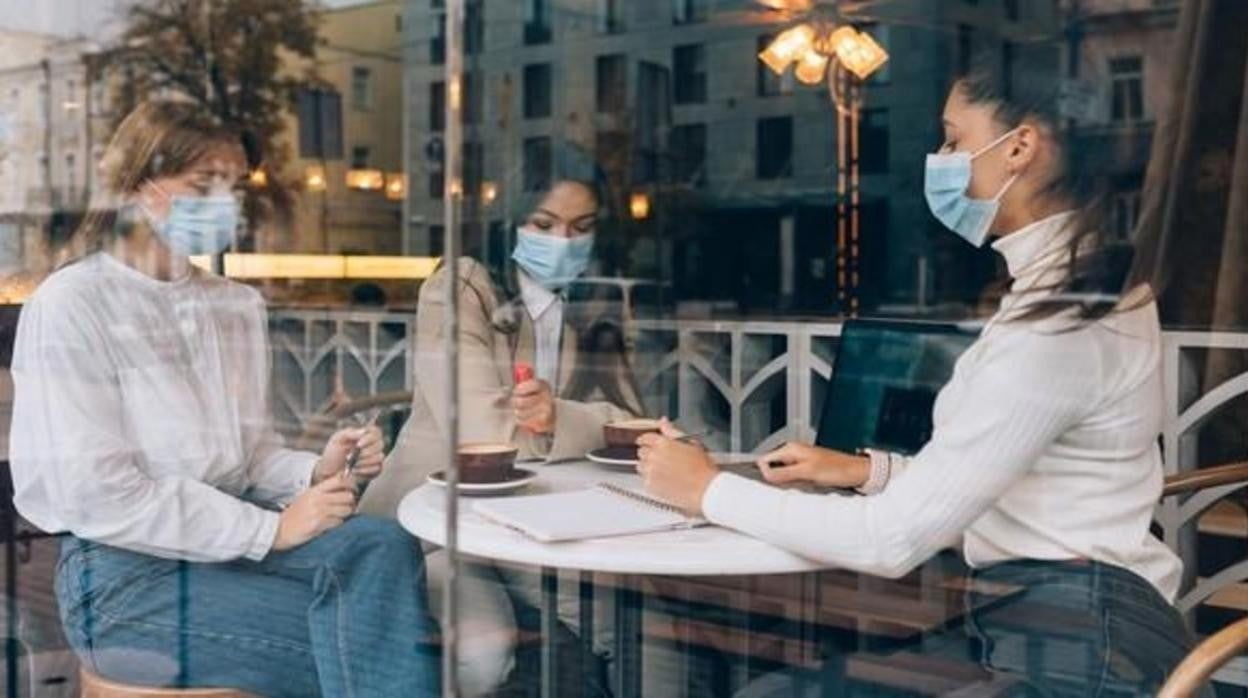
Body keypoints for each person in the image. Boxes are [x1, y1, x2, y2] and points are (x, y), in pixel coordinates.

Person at [635, 65, 1195, 695]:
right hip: (1046, 619)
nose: (942, 159)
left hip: (1082, 647)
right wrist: (862, 472)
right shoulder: (1070, 290)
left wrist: (707, 489)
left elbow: (892, 541)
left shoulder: (1056, 326)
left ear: (1019, 146)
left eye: (954, 140)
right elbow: (1011, 483)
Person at [8, 101, 440, 696]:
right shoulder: (72, 303)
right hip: (125, 578)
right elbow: (99, 494)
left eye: (235, 185)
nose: (226, 202)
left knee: (382, 543)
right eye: (203, 184)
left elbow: (252, 457)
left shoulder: (235, 306)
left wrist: (315, 469)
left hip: (230, 550)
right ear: (138, 186)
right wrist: (271, 533)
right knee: (374, 645)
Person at [359, 147, 644, 695]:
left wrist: (560, 417)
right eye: (544, 224)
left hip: (542, 524)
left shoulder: (593, 303)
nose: (562, 243)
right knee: (485, 656)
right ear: (510, 220)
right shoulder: (461, 286)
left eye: (580, 228)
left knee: (633, 620)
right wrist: (581, 424)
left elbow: (633, 424)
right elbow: (487, 437)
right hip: (433, 528)